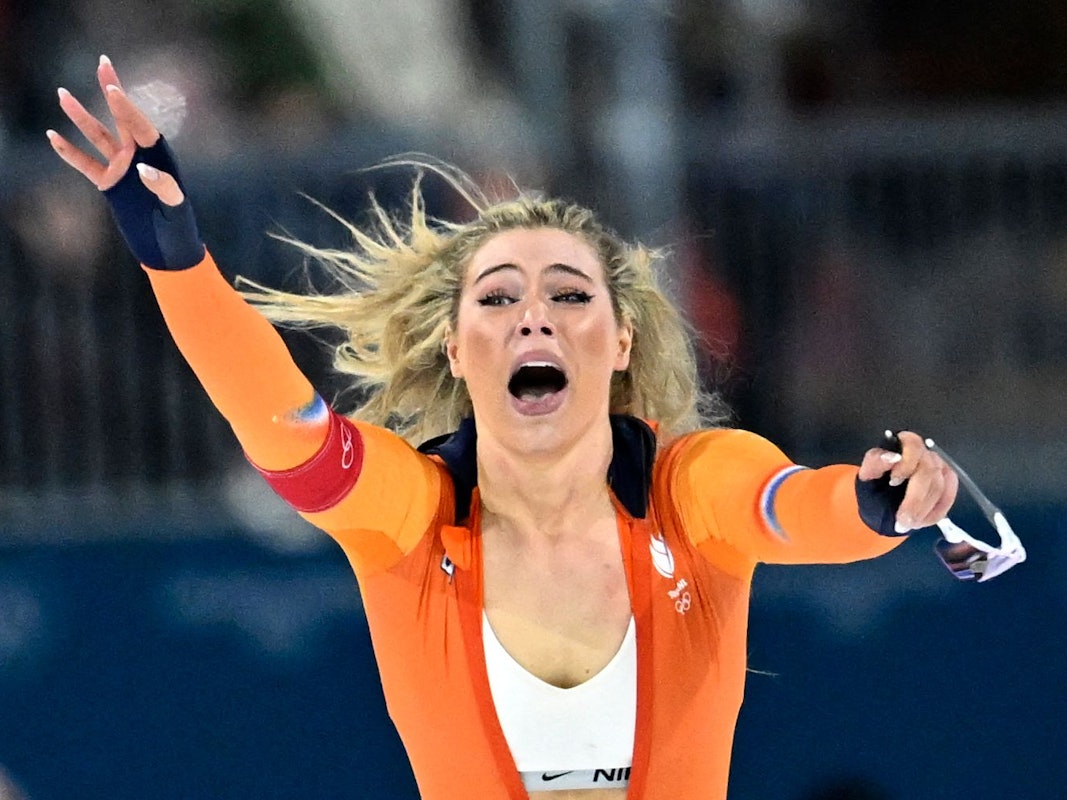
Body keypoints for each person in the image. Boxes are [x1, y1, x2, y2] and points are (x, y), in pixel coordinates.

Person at [47, 56, 958, 800]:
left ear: (620, 339)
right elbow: (284, 427)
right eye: (496, 298)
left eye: (569, 295)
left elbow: (794, 509)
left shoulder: (692, 487)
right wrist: (176, 260)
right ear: (453, 348)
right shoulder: (410, 518)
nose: (533, 319)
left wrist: (881, 501)